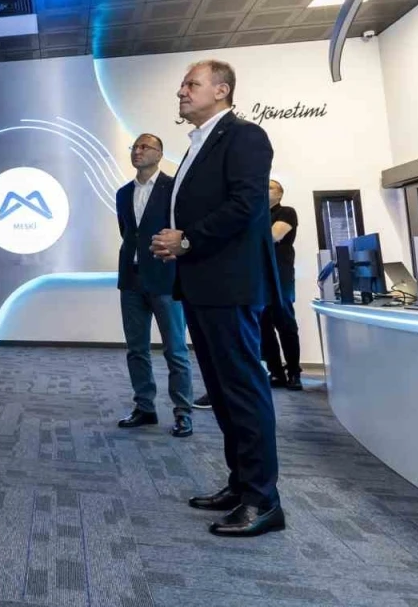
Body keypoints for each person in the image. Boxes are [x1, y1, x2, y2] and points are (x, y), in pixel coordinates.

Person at [151, 59, 284, 538]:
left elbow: (246, 205)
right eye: (182, 84)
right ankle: (241, 484)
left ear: (222, 90)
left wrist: (187, 239)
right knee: (225, 394)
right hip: (204, 284)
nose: (181, 92)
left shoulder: (245, 136)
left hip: (230, 285)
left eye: (192, 84)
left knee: (243, 391)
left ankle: (264, 501)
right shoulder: (199, 143)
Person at [115, 133, 194, 438]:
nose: (138, 151)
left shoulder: (173, 189)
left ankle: (183, 412)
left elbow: (183, 232)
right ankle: (144, 407)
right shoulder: (123, 193)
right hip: (131, 280)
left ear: (159, 154)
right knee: (136, 349)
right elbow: (127, 233)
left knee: (176, 350)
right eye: (135, 146)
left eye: (144, 146)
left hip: (165, 279)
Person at [261, 180, 303, 391]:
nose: (264, 188)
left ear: (280, 194)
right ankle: (276, 372)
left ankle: (294, 372)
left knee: (285, 324)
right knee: (264, 328)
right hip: (258, 279)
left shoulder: (286, 212)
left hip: (280, 278)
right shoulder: (256, 215)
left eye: (270, 187)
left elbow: (274, 235)